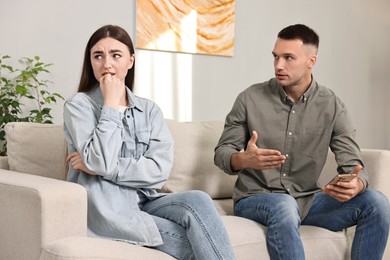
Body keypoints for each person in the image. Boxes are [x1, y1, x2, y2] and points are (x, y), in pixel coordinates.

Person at [214, 24, 390, 260]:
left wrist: (356, 184)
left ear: (311, 61)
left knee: (377, 202)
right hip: (255, 199)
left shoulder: (332, 106)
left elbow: (353, 165)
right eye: (276, 57)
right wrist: (242, 159)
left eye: (288, 58)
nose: (278, 65)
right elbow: (222, 153)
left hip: (308, 201)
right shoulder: (249, 98)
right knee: (284, 205)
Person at [63, 24, 235, 260]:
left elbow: (158, 171)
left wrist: (101, 167)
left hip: (148, 199)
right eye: (98, 56)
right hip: (111, 211)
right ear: (90, 61)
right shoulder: (79, 106)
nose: (107, 64)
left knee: (199, 198)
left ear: (130, 61)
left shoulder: (149, 110)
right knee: (200, 245)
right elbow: (100, 160)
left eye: (116, 55)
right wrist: (111, 104)